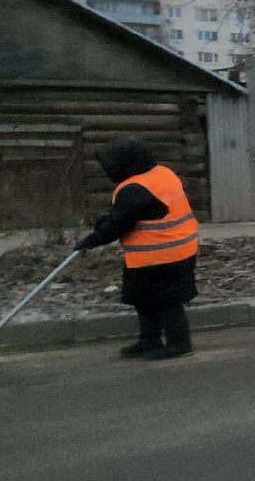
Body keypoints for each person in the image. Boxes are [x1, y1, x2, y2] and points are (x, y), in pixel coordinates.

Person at [76, 138, 198, 359]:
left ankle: (180, 345)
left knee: (168, 302)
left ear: (126, 164)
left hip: (162, 254)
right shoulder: (162, 174)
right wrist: (110, 219)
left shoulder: (134, 189)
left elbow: (118, 225)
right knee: (144, 299)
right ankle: (149, 341)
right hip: (170, 250)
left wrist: (90, 241)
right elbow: (139, 212)